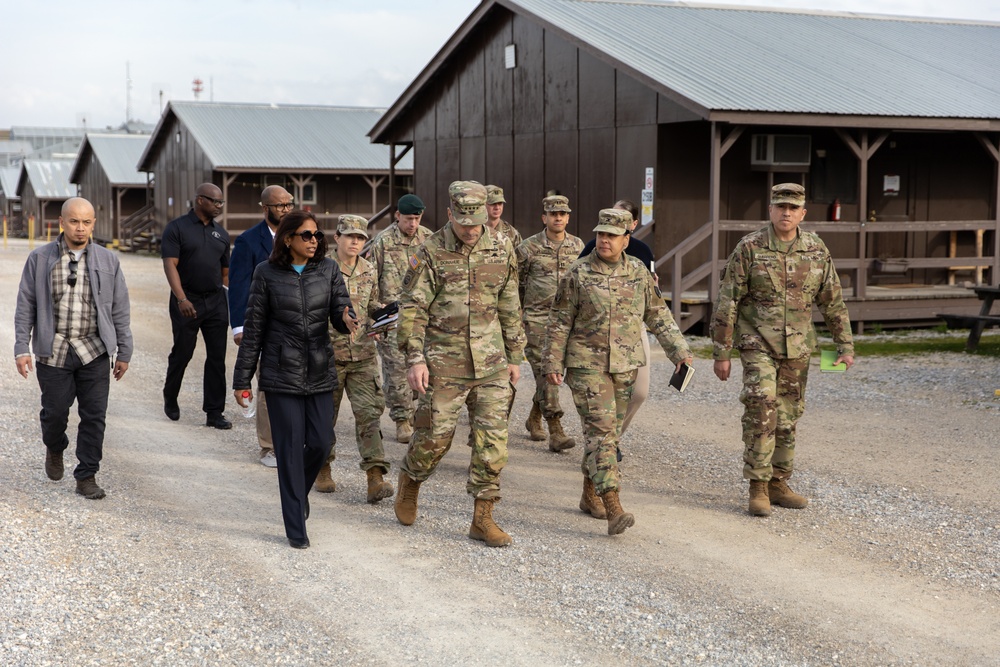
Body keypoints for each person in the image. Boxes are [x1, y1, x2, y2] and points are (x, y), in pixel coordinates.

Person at [393, 181, 526, 547]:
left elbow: (510, 304)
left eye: (476, 222)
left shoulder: (502, 247)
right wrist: (415, 358)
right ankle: (411, 480)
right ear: (450, 214)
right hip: (443, 361)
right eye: (463, 222)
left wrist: (515, 356)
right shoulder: (430, 251)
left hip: (492, 362)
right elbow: (413, 309)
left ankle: (483, 517)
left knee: (493, 441)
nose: (470, 230)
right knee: (434, 438)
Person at [543, 208, 691, 534]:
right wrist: (552, 362)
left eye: (612, 235)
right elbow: (558, 322)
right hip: (586, 365)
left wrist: (679, 352)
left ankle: (588, 494)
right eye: (601, 233)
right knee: (602, 433)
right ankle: (613, 506)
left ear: (627, 239)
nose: (604, 240)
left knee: (606, 434)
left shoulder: (638, 272)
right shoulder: (578, 273)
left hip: (625, 365)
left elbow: (657, 315)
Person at [710, 183, 854, 517]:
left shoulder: (816, 249)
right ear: (770, 210)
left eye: (793, 208)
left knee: (788, 415)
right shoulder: (750, 247)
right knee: (762, 406)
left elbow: (832, 300)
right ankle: (757, 486)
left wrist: (844, 345)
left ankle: (779, 482)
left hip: (798, 346)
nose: (786, 213)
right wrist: (722, 352)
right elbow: (728, 299)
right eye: (780, 207)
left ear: (803, 213)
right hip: (757, 341)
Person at [233, 210, 358, 549]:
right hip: (279, 373)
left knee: (321, 442)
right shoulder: (266, 273)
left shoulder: (329, 269)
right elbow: (254, 328)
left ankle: (297, 493)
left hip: (319, 368)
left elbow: (339, 309)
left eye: (317, 235)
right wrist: (242, 380)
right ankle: (295, 529)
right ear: (287, 238)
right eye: (306, 235)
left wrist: (348, 317)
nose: (314, 240)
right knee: (288, 451)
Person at [14, 197, 133, 500]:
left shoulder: (108, 261)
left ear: (94, 223)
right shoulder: (40, 258)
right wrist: (21, 347)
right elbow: (25, 304)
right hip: (53, 350)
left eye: (87, 222)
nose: (81, 228)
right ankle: (55, 447)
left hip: (94, 349)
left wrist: (124, 350)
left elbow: (119, 308)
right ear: (62, 222)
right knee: (54, 413)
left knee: (94, 415)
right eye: (75, 221)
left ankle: (87, 476)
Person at [314, 214, 394, 503]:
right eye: (349, 236)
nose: (355, 242)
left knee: (369, 416)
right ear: (337, 238)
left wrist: (383, 313)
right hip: (328, 356)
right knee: (325, 418)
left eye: (360, 237)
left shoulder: (369, 269)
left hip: (362, 355)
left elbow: (371, 302)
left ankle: (375, 477)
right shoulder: (322, 268)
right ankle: (323, 468)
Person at [579, 199, 656, 441]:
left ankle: (613, 437)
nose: (607, 235)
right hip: (596, 334)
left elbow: (655, 300)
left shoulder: (642, 253)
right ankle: (602, 441)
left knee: (639, 392)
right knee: (600, 394)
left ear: (631, 226)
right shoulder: (592, 248)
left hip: (633, 328)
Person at [228, 185, 294, 467]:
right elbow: (239, 286)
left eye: (289, 204)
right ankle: (269, 447)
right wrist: (239, 327)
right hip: (262, 325)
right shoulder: (248, 241)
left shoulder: (300, 237)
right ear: (265, 208)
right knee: (268, 386)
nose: (286, 210)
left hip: (293, 325)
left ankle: (293, 442)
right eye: (280, 206)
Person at [161, 183, 232, 429]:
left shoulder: (221, 234)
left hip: (215, 302)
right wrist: (181, 298)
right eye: (215, 202)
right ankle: (170, 396)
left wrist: (231, 301)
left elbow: (225, 274)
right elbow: (170, 264)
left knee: (216, 358)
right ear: (200, 200)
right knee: (183, 352)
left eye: (221, 202)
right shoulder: (177, 228)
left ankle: (214, 412)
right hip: (186, 300)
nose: (219, 206)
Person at [516, 194, 583, 451]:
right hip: (536, 321)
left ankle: (534, 418)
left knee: (551, 375)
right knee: (548, 374)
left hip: (566, 323)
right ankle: (556, 430)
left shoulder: (578, 247)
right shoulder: (528, 248)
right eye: (553, 214)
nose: (558, 218)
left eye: (563, 214)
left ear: (568, 217)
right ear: (544, 217)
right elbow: (514, 285)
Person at [367, 193, 432, 444]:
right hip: (392, 317)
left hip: (421, 316)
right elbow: (372, 280)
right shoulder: (383, 241)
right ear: (397, 216)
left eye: (416, 219)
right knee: (395, 370)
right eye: (407, 219)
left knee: (422, 366)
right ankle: (402, 420)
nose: (412, 224)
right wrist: (376, 315)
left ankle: (420, 415)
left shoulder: (429, 240)